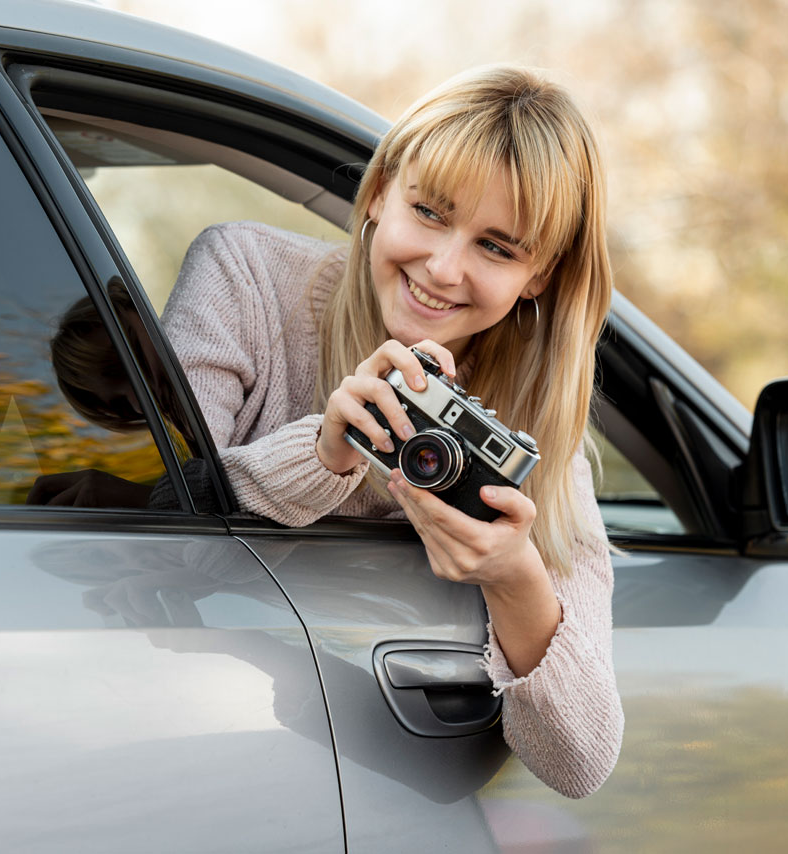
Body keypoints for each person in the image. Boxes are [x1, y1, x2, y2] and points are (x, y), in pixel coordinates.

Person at [160, 66, 623, 798]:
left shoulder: (533, 433)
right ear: (378, 191)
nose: (443, 269)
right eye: (431, 213)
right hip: (180, 744)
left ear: (539, 275)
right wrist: (324, 452)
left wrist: (512, 576)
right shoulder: (246, 277)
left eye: (497, 248)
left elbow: (581, 764)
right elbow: (143, 539)